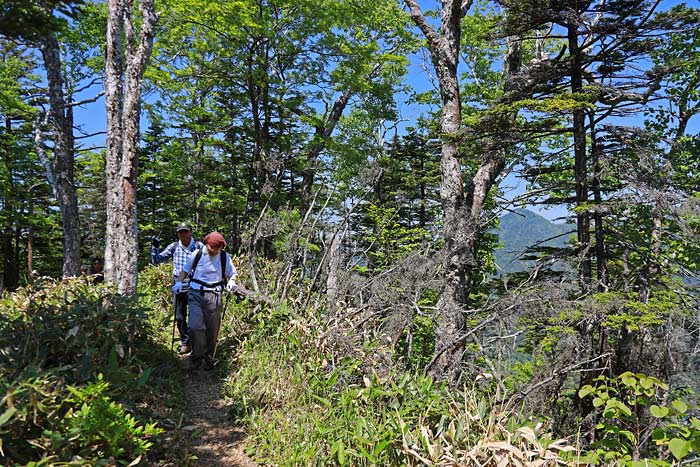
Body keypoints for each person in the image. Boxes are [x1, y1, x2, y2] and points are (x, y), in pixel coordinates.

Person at [173, 231, 237, 371]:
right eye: (211, 247)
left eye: (217, 248)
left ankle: (208, 357)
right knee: (195, 327)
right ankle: (196, 357)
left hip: (214, 295)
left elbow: (232, 273)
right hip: (195, 293)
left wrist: (232, 282)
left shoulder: (224, 257)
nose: (214, 250)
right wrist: (179, 282)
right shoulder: (197, 254)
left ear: (222, 247)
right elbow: (185, 270)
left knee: (212, 330)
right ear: (206, 244)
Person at [152, 222, 203, 354]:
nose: (183, 234)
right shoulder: (174, 247)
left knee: (195, 317)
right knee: (180, 316)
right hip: (179, 284)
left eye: (185, 231)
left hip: (195, 284)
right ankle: (185, 342)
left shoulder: (199, 247)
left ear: (191, 232)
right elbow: (156, 260)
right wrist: (154, 247)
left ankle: (195, 343)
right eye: (180, 232)